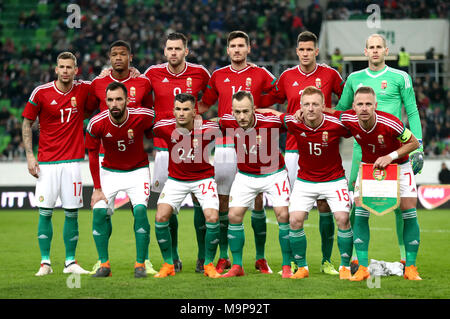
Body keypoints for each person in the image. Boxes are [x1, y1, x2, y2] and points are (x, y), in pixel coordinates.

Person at [334, 33, 423, 270]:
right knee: (356, 200)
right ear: (365, 52)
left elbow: (412, 111)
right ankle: (355, 256)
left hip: (396, 147)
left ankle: (405, 257)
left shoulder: (400, 77)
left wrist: (418, 146)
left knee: (401, 204)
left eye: (378, 47)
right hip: (362, 149)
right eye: (370, 47)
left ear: (386, 50)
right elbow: (341, 111)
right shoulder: (354, 78)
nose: (374, 51)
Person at [264, 31, 345, 275]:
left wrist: (327, 111)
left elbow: (346, 102)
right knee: (290, 209)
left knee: (324, 206)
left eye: (310, 49)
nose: (306, 53)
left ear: (316, 51)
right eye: (302, 49)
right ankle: (293, 264)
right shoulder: (287, 76)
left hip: (324, 147)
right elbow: (269, 99)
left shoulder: (331, 74)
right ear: (297, 51)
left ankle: (326, 260)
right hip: (292, 148)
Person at [198, 31, 278, 274]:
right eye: (232, 46)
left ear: (249, 48)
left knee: (257, 200)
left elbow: (277, 97)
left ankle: (261, 257)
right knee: (223, 201)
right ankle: (224, 256)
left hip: (254, 142)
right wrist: (192, 117)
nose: (237, 50)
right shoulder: (218, 76)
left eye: (241, 45)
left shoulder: (261, 74)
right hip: (223, 144)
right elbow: (204, 104)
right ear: (227, 50)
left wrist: (260, 112)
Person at [260, 86, 354, 280]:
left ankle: (344, 267)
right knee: (294, 220)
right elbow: (272, 114)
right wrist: (251, 110)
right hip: (306, 180)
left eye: (315, 104)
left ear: (323, 106)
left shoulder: (336, 124)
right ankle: (302, 267)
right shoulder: (294, 122)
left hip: (334, 180)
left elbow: (357, 124)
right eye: (306, 104)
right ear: (300, 106)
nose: (310, 108)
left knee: (343, 219)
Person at [144, 32, 211, 273]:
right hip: (164, 149)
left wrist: (198, 114)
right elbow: (136, 92)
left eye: (177, 49)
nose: (173, 53)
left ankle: (203, 258)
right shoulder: (152, 73)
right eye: (169, 49)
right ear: (164, 51)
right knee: (167, 206)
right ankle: (173, 258)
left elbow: (212, 96)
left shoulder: (200, 73)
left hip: (194, 146)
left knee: (200, 203)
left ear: (186, 51)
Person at [339, 86, 422, 281]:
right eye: (360, 104)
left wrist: (390, 156)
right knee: (360, 209)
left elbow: (413, 143)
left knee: (408, 209)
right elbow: (329, 114)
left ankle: (410, 267)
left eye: (369, 104)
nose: (364, 108)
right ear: (354, 107)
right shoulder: (348, 119)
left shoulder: (390, 122)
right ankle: (363, 267)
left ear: (375, 106)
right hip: (368, 167)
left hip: (400, 166)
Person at [87, 40, 156, 275]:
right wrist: (96, 187)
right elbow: (92, 152)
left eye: (123, 54)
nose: (118, 58)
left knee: (139, 211)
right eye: (114, 54)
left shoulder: (144, 90)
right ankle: (103, 263)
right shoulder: (97, 92)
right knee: (99, 212)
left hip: (137, 169)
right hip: (110, 169)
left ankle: (141, 263)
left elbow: (156, 126)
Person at [22, 51, 92, 276]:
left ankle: (70, 262)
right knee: (45, 212)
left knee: (72, 213)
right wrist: (30, 156)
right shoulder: (41, 92)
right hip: (47, 163)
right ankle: (45, 263)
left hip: (72, 163)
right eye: (61, 67)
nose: (65, 71)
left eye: (69, 67)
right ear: (56, 69)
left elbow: (104, 82)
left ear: (75, 70)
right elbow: (27, 124)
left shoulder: (83, 89)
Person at [218, 91, 293, 278]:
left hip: (274, 174)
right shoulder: (228, 122)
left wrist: (279, 113)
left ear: (254, 109)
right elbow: (210, 122)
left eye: (245, 111)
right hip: (246, 175)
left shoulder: (270, 121)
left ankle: (286, 266)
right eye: (237, 112)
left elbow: (290, 120)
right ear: (232, 112)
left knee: (283, 215)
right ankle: (237, 266)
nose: (241, 116)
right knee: (233, 215)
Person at [151, 93, 221, 279]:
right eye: (178, 109)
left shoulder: (208, 128)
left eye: (186, 109)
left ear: (194, 112)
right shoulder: (164, 127)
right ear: (173, 111)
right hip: (176, 180)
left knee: (212, 218)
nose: (181, 113)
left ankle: (208, 264)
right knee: (161, 216)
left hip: (203, 179)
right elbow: (143, 121)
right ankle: (168, 264)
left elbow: (231, 119)